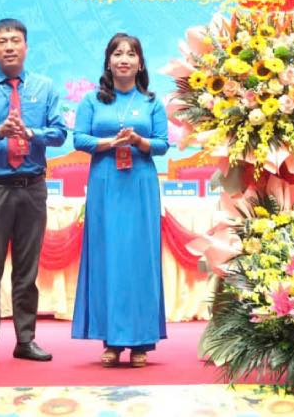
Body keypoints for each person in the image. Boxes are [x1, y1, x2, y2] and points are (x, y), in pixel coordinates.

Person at [0, 18, 67, 366]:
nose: (9, 46)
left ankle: (26, 339)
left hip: (32, 187)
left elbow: (60, 133)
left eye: (15, 40)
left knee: (27, 270)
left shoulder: (45, 87)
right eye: (2, 41)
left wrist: (31, 134)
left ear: (26, 46)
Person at [71, 33, 168, 368]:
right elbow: (79, 139)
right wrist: (110, 142)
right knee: (108, 258)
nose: (124, 59)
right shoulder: (92, 101)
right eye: (117, 53)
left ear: (140, 63)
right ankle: (110, 340)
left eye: (131, 54)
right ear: (108, 61)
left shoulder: (152, 101)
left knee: (140, 260)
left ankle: (141, 341)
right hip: (105, 182)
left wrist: (139, 140)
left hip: (139, 183)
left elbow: (163, 144)